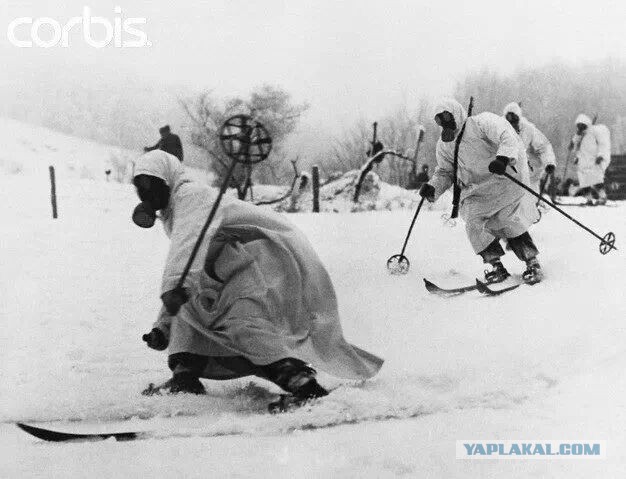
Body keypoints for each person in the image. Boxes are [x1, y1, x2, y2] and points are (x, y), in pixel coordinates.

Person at [132, 150, 383, 412]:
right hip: (231, 265)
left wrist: (173, 288)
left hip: (264, 257)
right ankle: (185, 376)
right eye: (140, 188)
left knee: (245, 324)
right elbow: (187, 267)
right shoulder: (174, 211)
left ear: (168, 180)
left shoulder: (190, 196)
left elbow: (186, 249)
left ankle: (305, 387)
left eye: (151, 185)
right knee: (189, 309)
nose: (146, 194)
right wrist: (163, 325)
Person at [418, 98, 543, 284]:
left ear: (456, 113)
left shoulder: (481, 123)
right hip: (476, 192)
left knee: (508, 222)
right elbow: (445, 171)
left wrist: (503, 158)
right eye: (440, 120)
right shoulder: (444, 145)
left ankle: (532, 262)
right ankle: (496, 266)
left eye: (447, 116)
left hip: (503, 182)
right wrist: (433, 187)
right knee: (474, 225)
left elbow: (506, 135)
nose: (445, 122)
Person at [502, 102, 556, 193]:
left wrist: (549, 162)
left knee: (528, 202)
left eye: (515, 121)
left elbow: (543, 147)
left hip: (530, 176)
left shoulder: (529, 129)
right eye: (510, 122)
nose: (512, 125)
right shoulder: (500, 128)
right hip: (509, 176)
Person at [570, 114, 611, 205]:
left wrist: (600, 155)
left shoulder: (594, 132)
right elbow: (577, 149)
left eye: (582, 125)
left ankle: (603, 197)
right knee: (584, 182)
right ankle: (589, 199)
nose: (580, 127)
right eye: (579, 125)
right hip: (583, 162)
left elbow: (602, 144)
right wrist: (577, 157)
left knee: (597, 180)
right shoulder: (579, 135)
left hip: (593, 160)